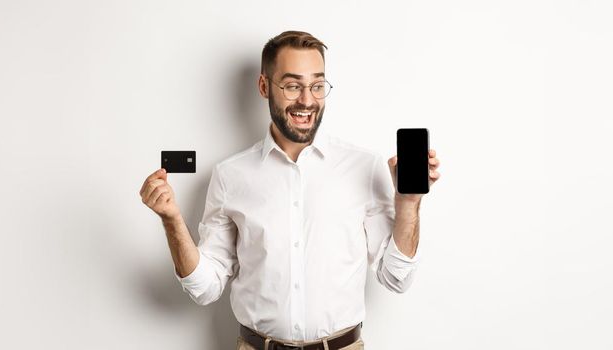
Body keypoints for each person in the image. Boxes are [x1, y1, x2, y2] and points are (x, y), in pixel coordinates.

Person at [139, 30, 441, 350]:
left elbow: (396, 278)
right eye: (293, 85)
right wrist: (171, 219)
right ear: (264, 87)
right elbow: (205, 289)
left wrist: (408, 202)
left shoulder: (364, 167)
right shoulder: (230, 176)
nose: (307, 100)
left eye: (317, 85)